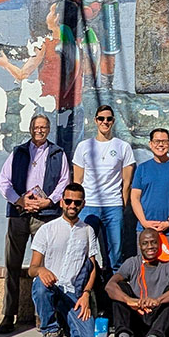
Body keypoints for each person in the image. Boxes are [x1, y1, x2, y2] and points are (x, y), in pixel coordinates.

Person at [0, 114, 71, 334]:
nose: (40, 130)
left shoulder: (57, 153)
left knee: (45, 267)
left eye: (44, 127)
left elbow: (64, 182)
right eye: (36, 126)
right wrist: (19, 200)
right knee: (12, 264)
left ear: (48, 130)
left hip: (45, 216)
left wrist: (48, 201)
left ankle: (44, 315)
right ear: (30, 128)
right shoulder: (18, 152)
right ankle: (9, 314)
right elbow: (4, 182)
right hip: (19, 214)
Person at [29, 183, 98, 337]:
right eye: (68, 201)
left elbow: (92, 268)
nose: (72, 205)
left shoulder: (88, 231)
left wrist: (86, 295)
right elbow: (32, 269)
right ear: (62, 202)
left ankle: (63, 320)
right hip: (52, 287)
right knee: (40, 285)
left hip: (73, 293)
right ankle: (50, 331)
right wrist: (42, 270)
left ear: (83, 204)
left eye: (77, 202)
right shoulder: (47, 229)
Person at [73, 104, 135, 274]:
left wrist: (121, 205)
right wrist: (78, 207)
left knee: (115, 256)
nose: (105, 122)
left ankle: (114, 298)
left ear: (113, 121)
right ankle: (85, 295)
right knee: (83, 253)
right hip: (88, 206)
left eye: (108, 119)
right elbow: (77, 180)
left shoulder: (123, 147)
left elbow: (127, 182)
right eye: (101, 118)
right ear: (96, 121)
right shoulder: (84, 147)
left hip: (113, 206)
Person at [131, 128, 169, 251]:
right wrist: (144, 223)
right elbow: (135, 198)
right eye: (157, 141)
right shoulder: (142, 169)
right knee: (145, 268)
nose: (161, 145)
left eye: (164, 141)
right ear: (150, 144)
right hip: (144, 230)